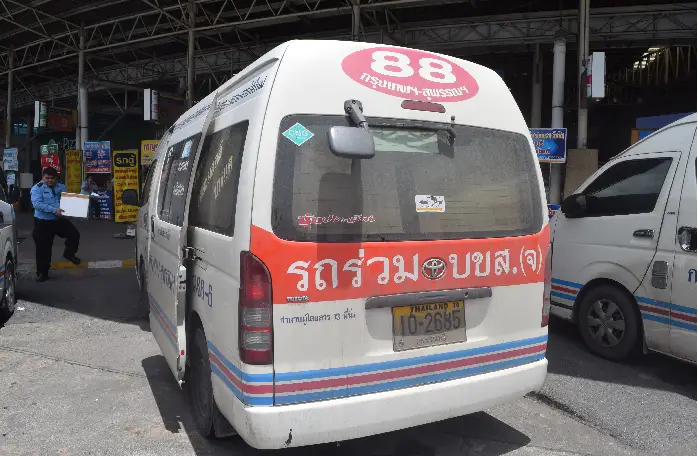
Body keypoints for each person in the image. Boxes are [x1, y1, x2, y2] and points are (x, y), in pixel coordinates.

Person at [30, 167, 81, 282]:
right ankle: (42, 273)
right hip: (43, 222)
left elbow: (66, 201)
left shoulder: (61, 186)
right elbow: (37, 204)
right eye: (47, 178)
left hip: (58, 220)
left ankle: (69, 253)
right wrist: (54, 210)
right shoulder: (37, 188)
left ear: (56, 178)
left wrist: (70, 212)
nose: (50, 180)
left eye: (52, 178)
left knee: (74, 234)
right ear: (43, 177)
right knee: (43, 249)